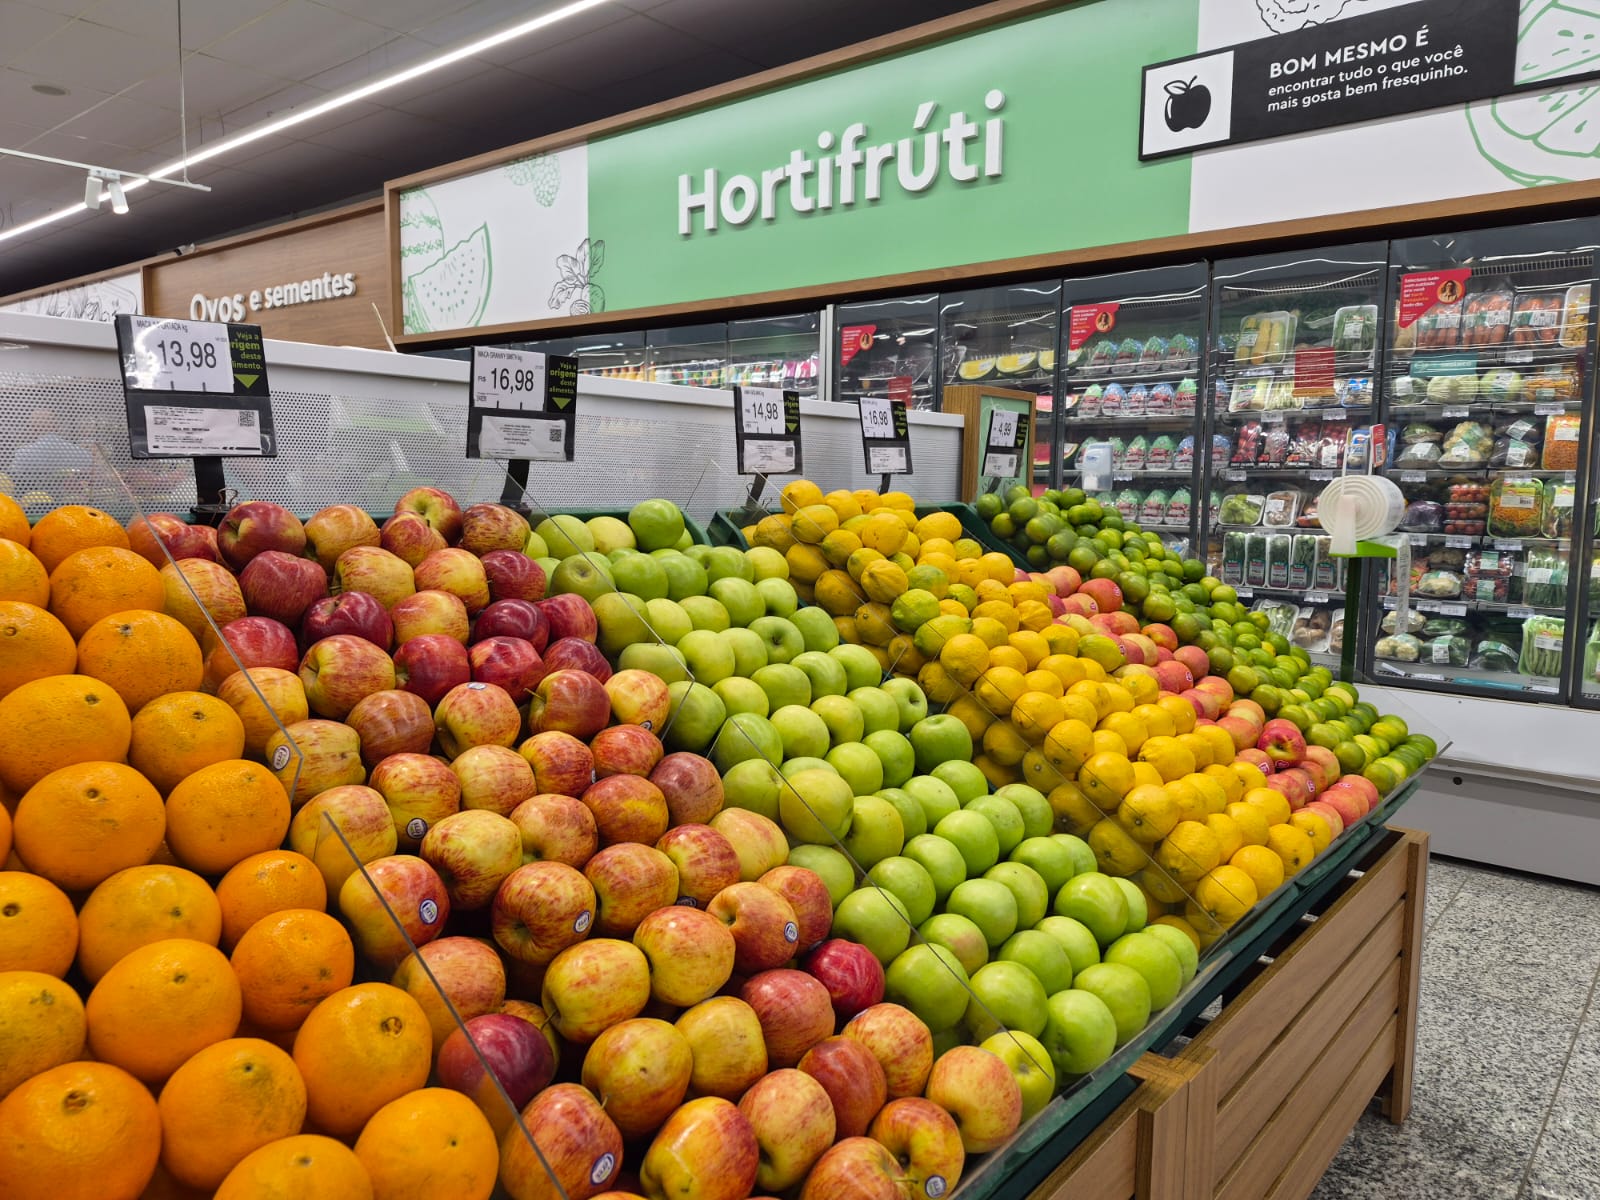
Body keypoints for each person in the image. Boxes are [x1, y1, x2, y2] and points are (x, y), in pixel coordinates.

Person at [10, 408, 94, 483]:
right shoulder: (81, 454)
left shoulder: (23, 454)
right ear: (57, 426)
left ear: (32, 429)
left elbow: (13, 477)